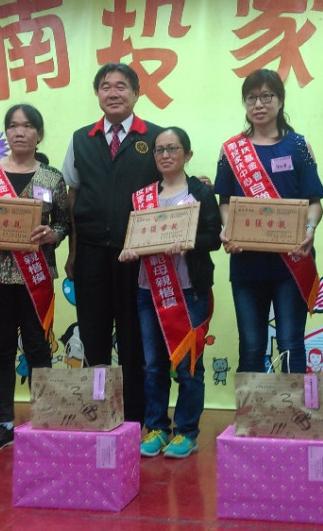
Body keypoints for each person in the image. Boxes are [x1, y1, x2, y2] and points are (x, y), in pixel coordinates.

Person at [61, 63, 163, 424]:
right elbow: (73, 195)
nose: (113, 93)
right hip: (91, 254)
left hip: (138, 256)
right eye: (105, 86)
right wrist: (73, 252)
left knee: (135, 340)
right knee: (94, 335)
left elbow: (171, 186)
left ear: (136, 93)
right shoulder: (81, 139)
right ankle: (99, 412)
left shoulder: (155, 137)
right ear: (97, 94)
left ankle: (134, 418)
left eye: (121, 86)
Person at [0, 104, 69, 452]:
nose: (19, 132)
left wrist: (52, 234)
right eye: (12, 126)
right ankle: (4, 423)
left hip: (35, 275)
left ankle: (46, 419)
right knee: (1, 348)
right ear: (6, 132)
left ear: (39, 134)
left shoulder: (52, 178)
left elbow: (63, 222)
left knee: (38, 346)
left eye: (27, 126)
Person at [214, 69, 323, 375]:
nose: (259, 104)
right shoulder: (230, 150)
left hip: (292, 260)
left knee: (291, 343)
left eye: (266, 96)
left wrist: (310, 230)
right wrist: (228, 231)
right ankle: (252, 407)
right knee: (251, 345)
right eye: (251, 98)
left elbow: (314, 202)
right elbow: (225, 203)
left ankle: (294, 407)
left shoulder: (298, 145)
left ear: (280, 100)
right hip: (247, 262)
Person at [118, 127, 220, 459]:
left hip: (190, 291)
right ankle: (157, 428)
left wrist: (189, 243)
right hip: (149, 291)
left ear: (187, 154)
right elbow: (134, 237)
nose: (165, 155)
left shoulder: (200, 193)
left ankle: (187, 431)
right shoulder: (142, 196)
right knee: (153, 365)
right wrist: (129, 250)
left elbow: (213, 238)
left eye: (173, 148)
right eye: (160, 149)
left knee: (189, 366)